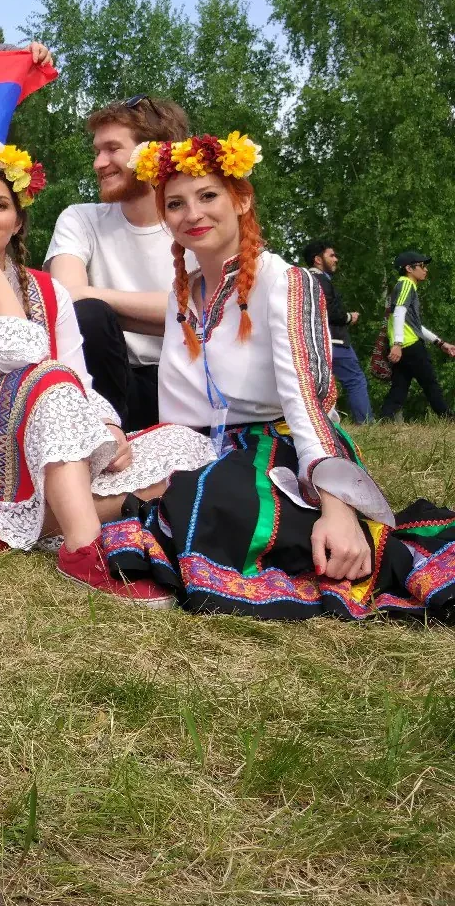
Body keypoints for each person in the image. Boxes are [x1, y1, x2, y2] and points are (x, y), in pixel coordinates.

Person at [113, 134, 455, 620]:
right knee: (97, 472)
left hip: (277, 440)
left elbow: (309, 403)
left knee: (208, 497)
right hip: (194, 441)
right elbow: (179, 403)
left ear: (241, 199)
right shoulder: (180, 295)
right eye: (175, 203)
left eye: (207, 196)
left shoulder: (288, 282)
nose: (192, 214)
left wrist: (337, 508)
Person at [0, 144, 212, 605]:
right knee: (47, 375)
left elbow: (80, 379)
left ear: (18, 221)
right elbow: (20, 353)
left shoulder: (49, 291)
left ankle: (9, 525)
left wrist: (106, 424)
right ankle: (83, 550)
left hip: (48, 445)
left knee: (187, 445)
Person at [45, 96, 191, 429]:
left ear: (155, 153)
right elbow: (67, 303)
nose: (99, 163)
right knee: (88, 315)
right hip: (113, 382)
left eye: (112, 149)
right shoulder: (80, 218)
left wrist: (96, 297)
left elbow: (214, 311)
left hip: (193, 381)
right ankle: (106, 437)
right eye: (97, 151)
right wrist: (177, 316)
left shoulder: (197, 221)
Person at [302, 239, 371, 424]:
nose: (336, 259)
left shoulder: (303, 281)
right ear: (318, 259)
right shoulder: (321, 280)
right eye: (331, 255)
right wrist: (349, 317)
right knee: (355, 380)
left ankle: (317, 422)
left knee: (316, 386)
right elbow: (329, 312)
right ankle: (365, 422)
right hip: (335, 341)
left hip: (312, 342)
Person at [380, 250, 454, 421]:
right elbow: (399, 313)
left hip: (405, 344)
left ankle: (385, 420)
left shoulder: (402, 286)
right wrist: (397, 344)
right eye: (421, 265)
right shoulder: (406, 284)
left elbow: (414, 325)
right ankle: (448, 418)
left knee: (399, 387)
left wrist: (440, 342)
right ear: (409, 268)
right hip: (410, 344)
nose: (425, 269)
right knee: (430, 383)